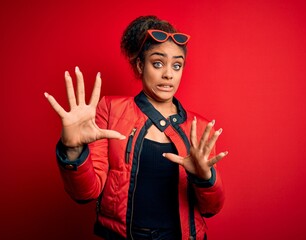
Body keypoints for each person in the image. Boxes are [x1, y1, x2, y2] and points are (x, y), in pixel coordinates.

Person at [44, 15, 228, 240]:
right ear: (140, 65)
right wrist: (72, 151)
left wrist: (204, 177)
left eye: (177, 65)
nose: (168, 74)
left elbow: (211, 209)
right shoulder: (110, 109)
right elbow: (85, 193)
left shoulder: (199, 127)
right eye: (158, 63)